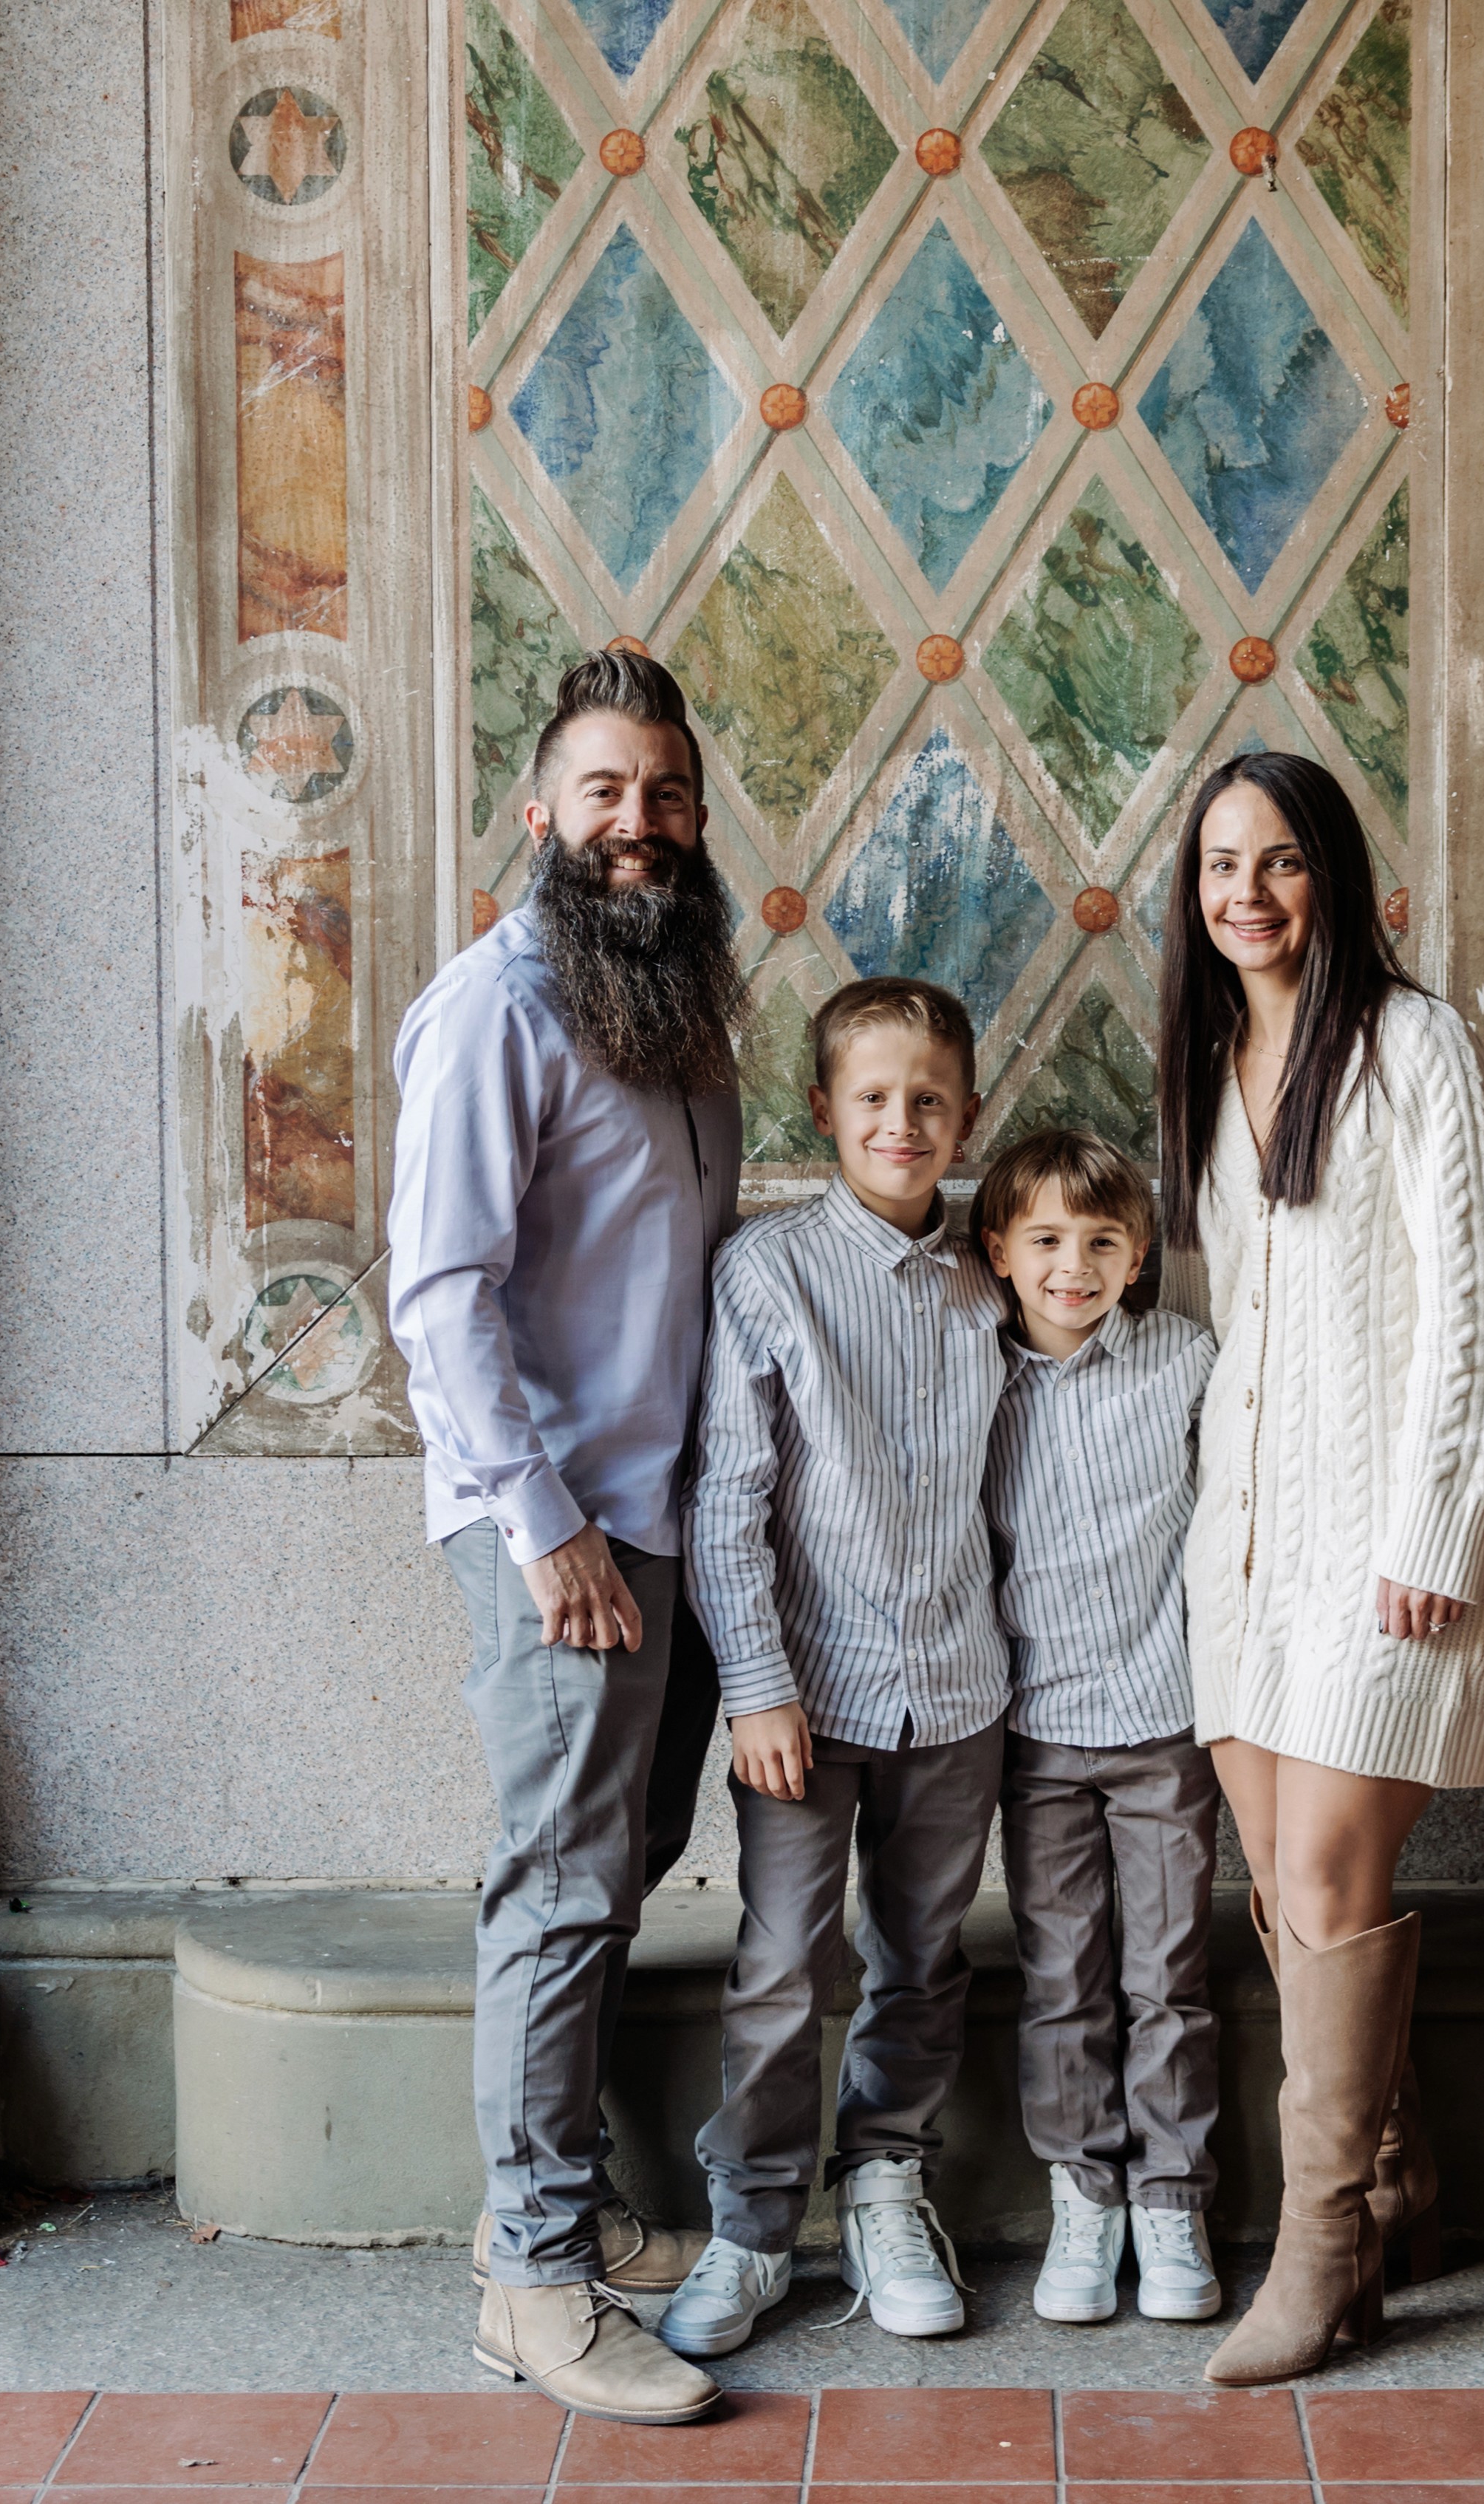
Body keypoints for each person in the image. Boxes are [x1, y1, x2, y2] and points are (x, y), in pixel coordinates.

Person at [386, 649, 744, 2424]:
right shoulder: (496, 1006)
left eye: (664, 792)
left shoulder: (668, 997)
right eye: (604, 789)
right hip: (562, 1529)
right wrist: (548, 1531)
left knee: (612, 1865)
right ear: (539, 812)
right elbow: (439, 1296)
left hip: (662, 1516)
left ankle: (555, 2215)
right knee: (562, 1884)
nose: (637, 820)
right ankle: (532, 2285)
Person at [1158, 751, 1484, 2387]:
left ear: (1334, 876)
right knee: (1281, 1880)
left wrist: (1435, 1527)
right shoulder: (1208, 1060)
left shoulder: (1411, 1045)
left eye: (1280, 860)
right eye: (1218, 863)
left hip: (1390, 1544)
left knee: (1324, 1872)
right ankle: (1395, 2192)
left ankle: (1316, 2254)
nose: (1245, 892)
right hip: (1248, 1547)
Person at [657, 978, 1012, 2359]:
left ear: (966, 1115)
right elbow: (726, 1502)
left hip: (960, 1689)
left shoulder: (992, 1279)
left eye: (929, 1099)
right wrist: (755, 1685)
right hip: (804, 1702)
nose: (901, 1121)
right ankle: (753, 2224)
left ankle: (884, 2183)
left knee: (922, 1952)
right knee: (783, 1960)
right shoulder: (769, 1273)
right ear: (822, 1110)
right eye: (873, 1097)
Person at [975, 1125, 1227, 2329]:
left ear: (1139, 1255)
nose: (1072, 1265)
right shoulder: (974, 1375)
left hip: (1164, 1721)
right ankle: (1085, 2191)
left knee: (1168, 1972)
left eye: (1100, 1241)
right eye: (1046, 1240)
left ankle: (1172, 2195)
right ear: (1000, 1252)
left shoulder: (1187, 1359)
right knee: (1063, 1976)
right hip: (1035, 1731)